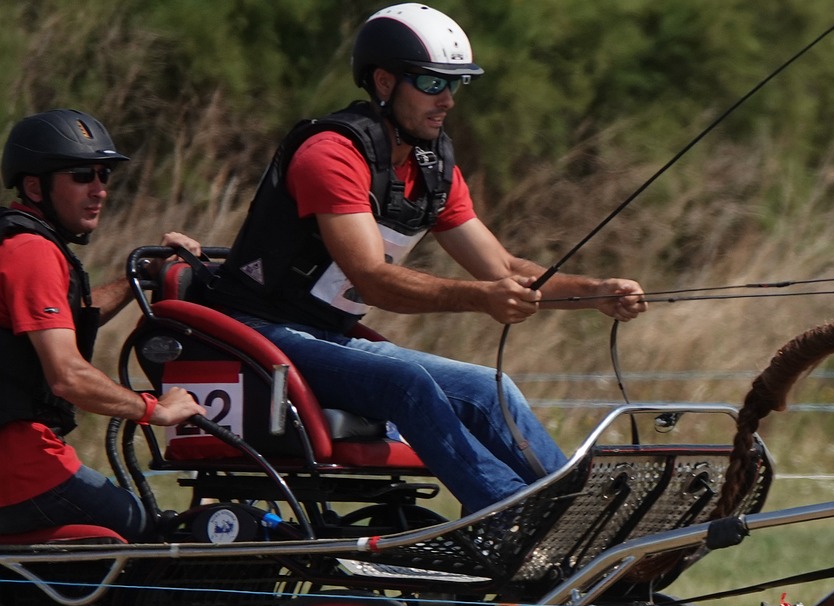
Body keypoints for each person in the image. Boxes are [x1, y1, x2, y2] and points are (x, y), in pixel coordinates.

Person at [208, 3, 646, 515]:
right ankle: (511, 523)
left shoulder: (431, 166)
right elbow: (374, 282)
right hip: (260, 334)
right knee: (408, 385)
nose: (448, 102)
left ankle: (578, 520)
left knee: (489, 389)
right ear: (384, 81)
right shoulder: (332, 154)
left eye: (455, 85)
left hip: (329, 335)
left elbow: (501, 271)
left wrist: (594, 293)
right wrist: (482, 300)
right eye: (433, 84)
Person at [0, 109, 207, 541]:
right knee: (149, 535)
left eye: (104, 175)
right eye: (81, 175)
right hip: (18, 467)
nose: (99, 191)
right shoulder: (30, 251)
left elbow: (73, 317)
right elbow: (67, 376)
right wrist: (156, 410)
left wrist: (144, 276)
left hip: (18, 462)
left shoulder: (22, 240)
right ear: (35, 186)